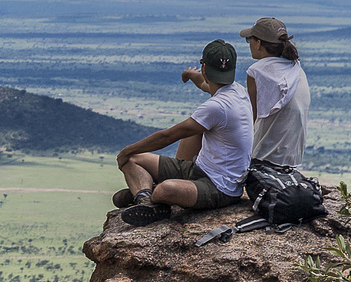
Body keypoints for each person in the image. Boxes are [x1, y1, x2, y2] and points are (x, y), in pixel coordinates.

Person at [112, 40, 253, 227]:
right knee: (134, 160)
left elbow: (168, 136)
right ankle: (146, 201)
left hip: (222, 188)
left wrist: (126, 151)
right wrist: (191, 75)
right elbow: (206, 85)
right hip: (200, 169)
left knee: (164, 188)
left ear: (204, 67)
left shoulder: (216, 107)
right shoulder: (238, 91)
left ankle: (149, 192)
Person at [240, 16, 309, 169]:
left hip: (264, 158)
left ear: (258, 43)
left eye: (249, 40)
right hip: (293, 159)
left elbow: (250, 119)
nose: (249, 44)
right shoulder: (296, 68)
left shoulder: (257, 71)